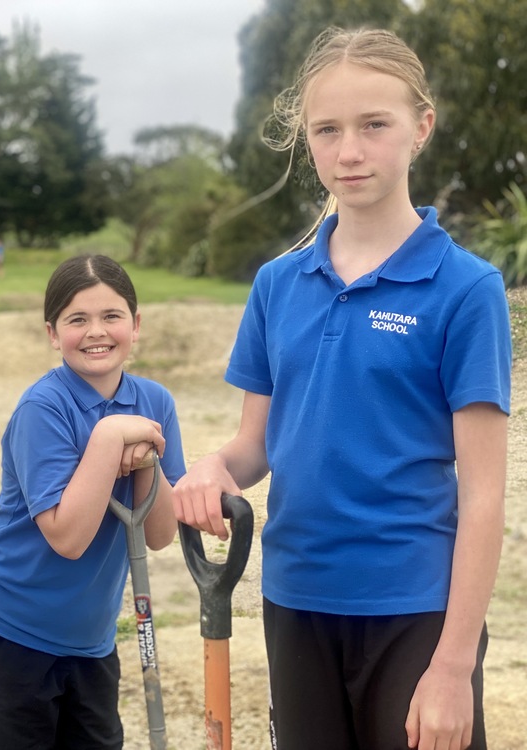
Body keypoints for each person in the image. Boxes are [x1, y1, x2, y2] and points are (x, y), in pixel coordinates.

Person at [172, 27, 510, 750]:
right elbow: (255, 446)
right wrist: (210, 468)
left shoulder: (467, 289)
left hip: (416, 611)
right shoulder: (276, 284)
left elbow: (485, 492)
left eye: (373, 125)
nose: (349, 150)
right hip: (296, 600)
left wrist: (453, 667)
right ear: (307, 139)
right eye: (327, 130)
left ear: (420, 128)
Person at [0, 254, 184, 749]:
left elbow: (160, 534)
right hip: (8, 632)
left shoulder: (156, 403)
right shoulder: (44, 407)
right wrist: (108, 438)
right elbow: (68, 537)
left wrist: (146, 463)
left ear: (135, 325)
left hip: (91, 642)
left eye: (111, 316)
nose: (96, 332)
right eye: (77, 319)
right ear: (53, 334)